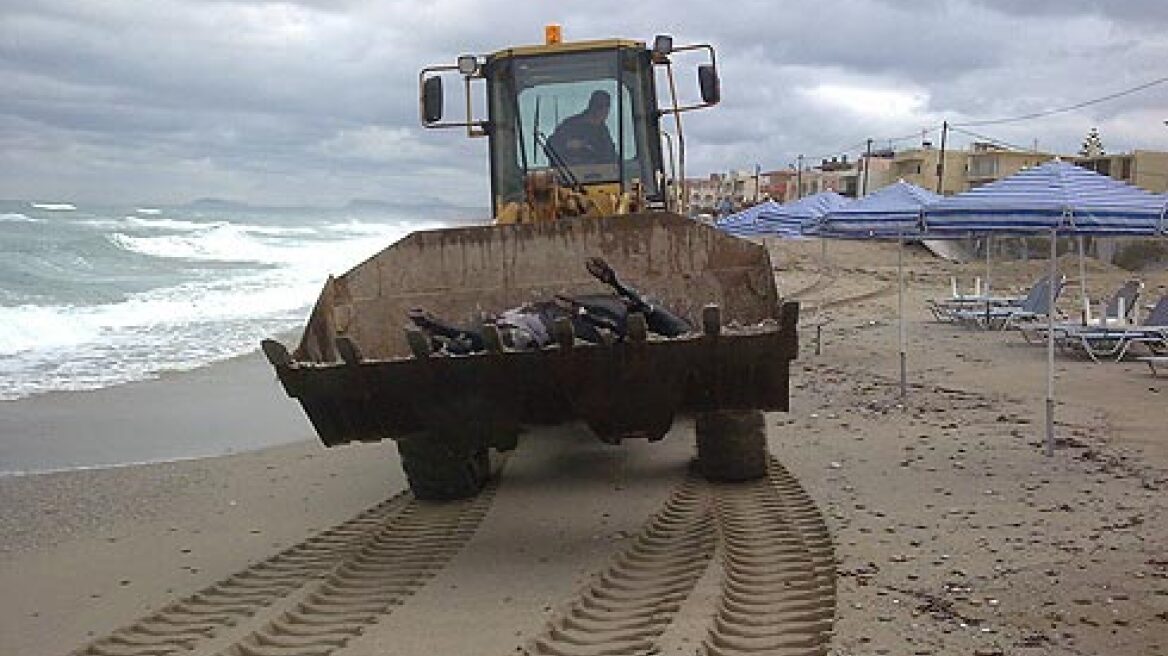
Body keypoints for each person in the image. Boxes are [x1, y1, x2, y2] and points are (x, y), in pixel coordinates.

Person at [546, 90, 617, 167]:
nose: (604, 110)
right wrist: (568, 144)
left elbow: (611, 156)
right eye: (600, 106)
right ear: (592, 106)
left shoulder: (603, 131)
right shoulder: (570, 126)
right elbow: (549, 148)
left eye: (607, 106)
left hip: (602, 176)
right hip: (570, 176)